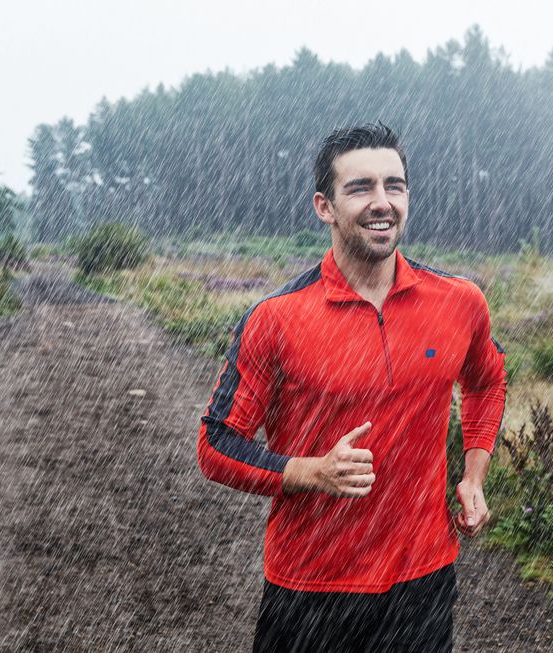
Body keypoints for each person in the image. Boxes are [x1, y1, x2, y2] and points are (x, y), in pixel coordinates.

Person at [197, 122, 507, 652]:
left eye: (395, 185)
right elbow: (215, 446)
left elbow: (487, 381)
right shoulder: (276, 319)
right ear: (325, 206)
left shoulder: (459, 302)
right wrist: (309, 471)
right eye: (360, 188)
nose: (382, 202)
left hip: (423, 584)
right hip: (311, 589)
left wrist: (473, 474)